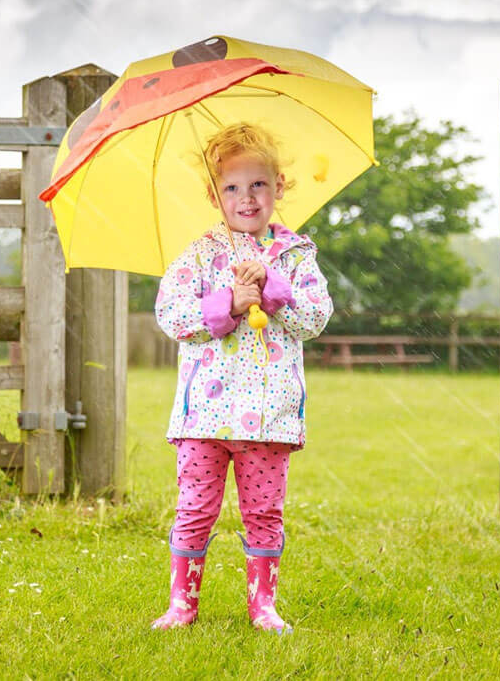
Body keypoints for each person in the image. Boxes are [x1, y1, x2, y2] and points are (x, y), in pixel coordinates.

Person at [151, 122, 333, 633]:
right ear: (214, 194)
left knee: (264, 513)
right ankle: (182, 605)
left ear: (279, 185)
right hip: (204, 416)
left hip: (268, 417)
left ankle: (263, 606)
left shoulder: (296, 257)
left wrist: (273, 291)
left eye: (257, 184)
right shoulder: (199, 255)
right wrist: (227, 303)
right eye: (231, 187)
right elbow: (172, 317)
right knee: (193, 509)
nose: (246, 198)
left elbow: (315, 319)